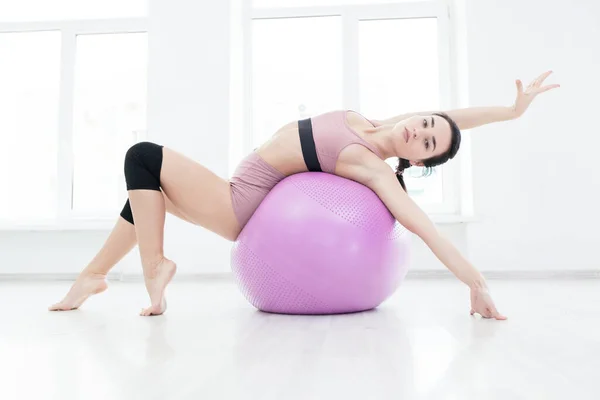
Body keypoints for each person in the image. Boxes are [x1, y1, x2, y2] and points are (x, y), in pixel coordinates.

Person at [49, 71, 559, 318]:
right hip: (240, 186)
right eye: (424, 124)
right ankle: (90, 278)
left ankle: (154, 269)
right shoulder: (381, 123)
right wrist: (510, 112)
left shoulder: (371, 165)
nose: (420, 132)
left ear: (420, 160)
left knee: (142, 156)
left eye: (427, 144)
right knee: (145, 194)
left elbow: (424, 229)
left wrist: (476, 282)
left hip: (240, 202)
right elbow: (453, 119)